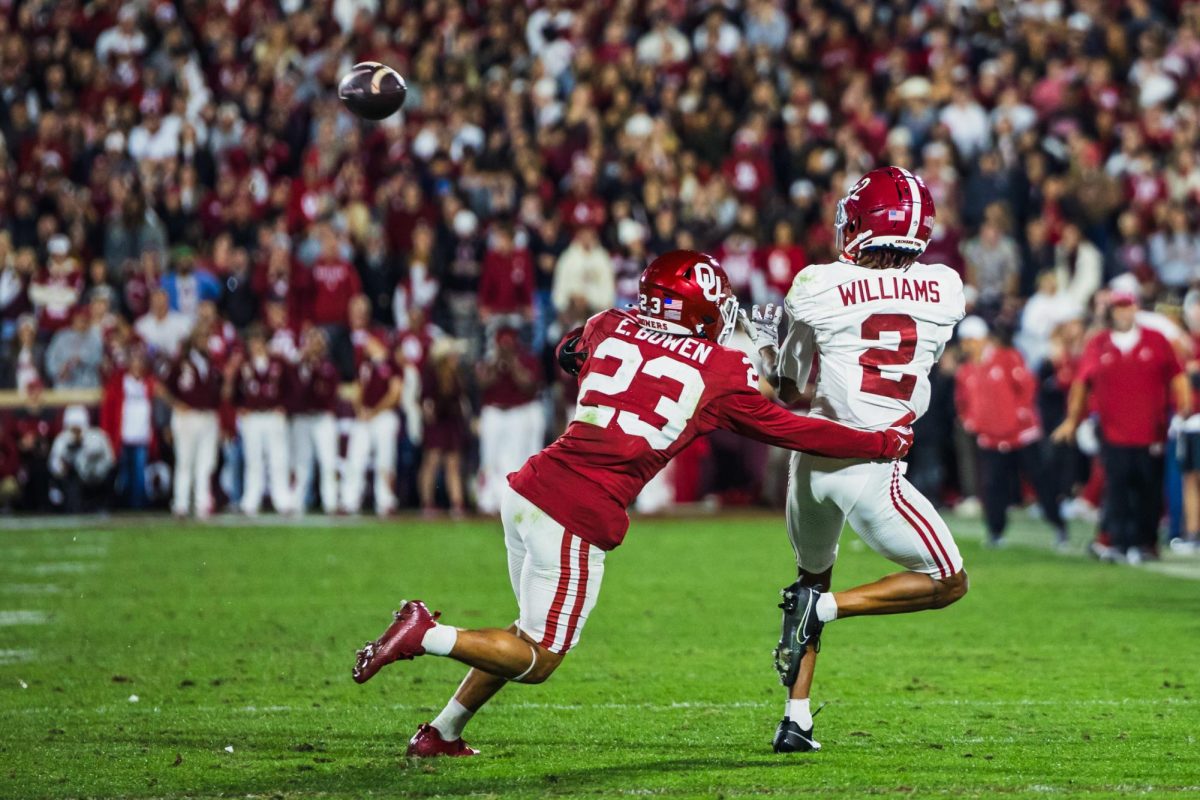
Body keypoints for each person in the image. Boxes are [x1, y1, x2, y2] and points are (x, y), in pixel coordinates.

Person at [350, 251, 914, 757]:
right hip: (575, 511)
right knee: (541, 657)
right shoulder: (719, 372)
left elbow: (568, 348)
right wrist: (878, 441)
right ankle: (425, 634)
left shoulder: (609, 324)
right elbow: (795, 430)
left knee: (524, 631)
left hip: (526, 489)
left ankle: (442, 733)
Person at [760, 167, 968, 753]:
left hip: (812, 461)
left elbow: (791, 386)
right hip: (873, 467)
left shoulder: (817, 284)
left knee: (811, 573)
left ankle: (796, 717)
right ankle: (822, 609)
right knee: (949, 582)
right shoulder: (946, 286)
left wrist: (768, 345)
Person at [1051, 289, 1191, 563]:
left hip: (1151, 431)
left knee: (1149, 489)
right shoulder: (1098, 344)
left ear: (1135, 309)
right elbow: (1081, 383)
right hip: (1113, 430)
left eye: (1127, 307)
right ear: (1111, 312)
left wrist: (1183, 405)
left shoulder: (1156, 340)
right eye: (1118, 308)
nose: (1123, 313)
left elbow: (1177, 375)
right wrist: (1072, 419)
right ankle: (1119, 541)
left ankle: (1146, 543)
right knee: (1116, 488)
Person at [955, 316, 1067, 548]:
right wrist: (972, 422)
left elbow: (1027, 386)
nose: (969, 345)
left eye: (972, 340)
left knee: (1040, 481)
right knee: (992, 487)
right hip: (991, 438)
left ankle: (1059, 526)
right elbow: (962, 402)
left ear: (984, 339)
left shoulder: (1007, 358)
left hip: (1021, 435)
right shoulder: (966, 371)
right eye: (965, 341)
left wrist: (1020, 416)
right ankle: (995, 532)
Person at [475, 327, 545, 514]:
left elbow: (529, 385)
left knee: (513, 460)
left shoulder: (525, 360)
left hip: (517, 413)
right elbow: (481, 383)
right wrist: (496, 362)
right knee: (488, 458)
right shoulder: (489, 360)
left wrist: (513, 364)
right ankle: (488, 500)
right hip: (493, 412)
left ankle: (511, 500)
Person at [230, 324, 292, 516]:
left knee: (278, 459)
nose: (255, 346)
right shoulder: (244, 365)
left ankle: (282, 499)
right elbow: (235, 391)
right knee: (253, 460)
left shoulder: (278, 363)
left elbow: (291, 387)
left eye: (259, 342)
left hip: (273, 415)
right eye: (252, 342)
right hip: (253, 417)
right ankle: (251, 500)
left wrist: (285, 407)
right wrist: (240, 407)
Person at [162, 330, 223, 518]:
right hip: (187, 416)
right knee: (185, 461)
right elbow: (162, 386)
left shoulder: (211, 364)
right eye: (203, 338)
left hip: (207, 415)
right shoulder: (180, 362)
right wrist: (175, 404)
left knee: (205, 463)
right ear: (194, 341)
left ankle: (202, 502)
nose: (206, 342)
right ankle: (180, 502)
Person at [341, 336, 401, 516]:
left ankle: (385, 501)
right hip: (365, 416)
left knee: (385, 459)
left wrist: (374, 411)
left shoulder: (392, 365)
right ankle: (349, 500)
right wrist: (360, 410)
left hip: (383, 416)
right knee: (355, 457)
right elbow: (358, 389)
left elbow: (395, 393)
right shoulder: (364, 365)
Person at [99, 347, 157, 509]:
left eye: (140, 363)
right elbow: (108, 411)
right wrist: (107, 434)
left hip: (142, 436)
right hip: (123, 436)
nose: (138, 366)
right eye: (135, 363)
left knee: (139, 474)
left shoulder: (149, 384)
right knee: (123, 474)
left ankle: (137, 506)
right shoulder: (118, 384)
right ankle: (121, 505)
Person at [418, 339, 470, 517]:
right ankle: (427, 502)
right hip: (437, 423)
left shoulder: (456, 375)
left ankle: (457, 502)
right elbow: (427, 400)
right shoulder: (432, 375)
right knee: (432, 461)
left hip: (451, 423)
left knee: (453, 463)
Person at [48, 405, 115, 513]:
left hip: (98, 477)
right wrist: (62, 467)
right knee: (71, 478)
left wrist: (97, 467)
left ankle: (104, 506)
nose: (76, 431)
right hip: (75, 482)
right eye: (73, 428)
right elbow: (54, 463)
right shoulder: (62, 439)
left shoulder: (96, 436)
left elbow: (110, 459)